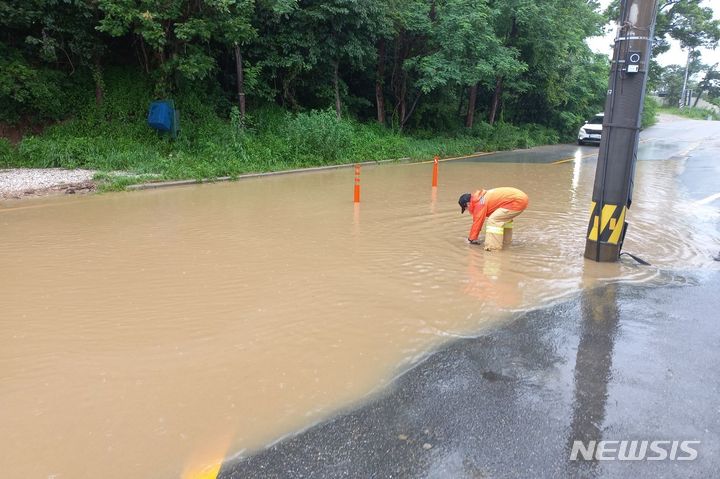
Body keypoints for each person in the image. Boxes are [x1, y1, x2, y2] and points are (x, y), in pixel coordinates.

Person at [458, 187, 529, 251]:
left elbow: (477, 222)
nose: (468, 210)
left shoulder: (479, 203)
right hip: (520, 198)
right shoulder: (480, 197)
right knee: (502, 218)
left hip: (516, 201)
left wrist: (471, 239)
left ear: (468, 204)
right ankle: (506, 243)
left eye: (466, 209)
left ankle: (493, 248)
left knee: (493, 220)